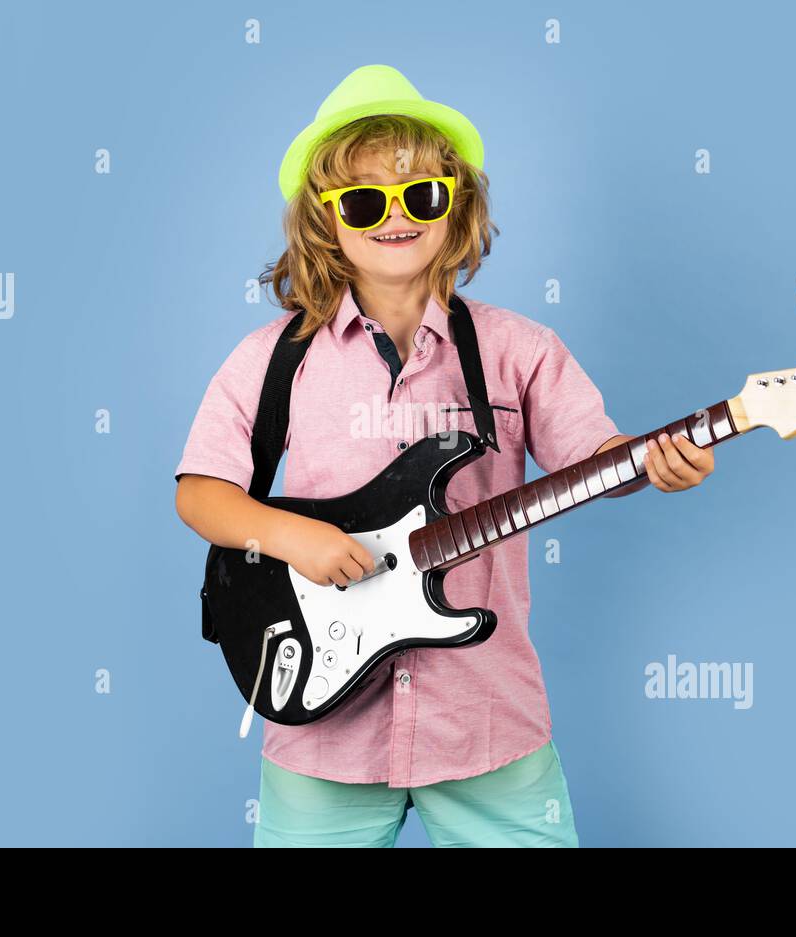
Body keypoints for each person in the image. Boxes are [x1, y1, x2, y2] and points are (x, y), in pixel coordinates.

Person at [175, 65, 714, 847]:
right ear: (326, 222)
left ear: (455, 205)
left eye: (419, 195)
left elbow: (598, 454)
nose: (394, 217)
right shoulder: (273, 359)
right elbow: (201, 494)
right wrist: (297, 537)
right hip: (322, 737)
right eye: (363, 201)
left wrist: (652, 460)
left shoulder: (519, 351)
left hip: (487, 721)